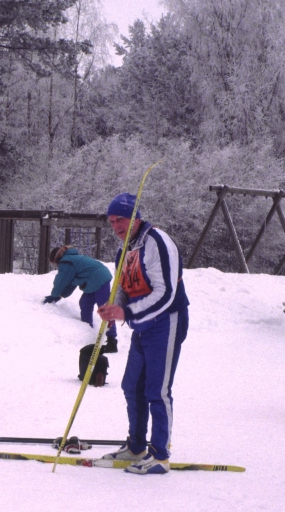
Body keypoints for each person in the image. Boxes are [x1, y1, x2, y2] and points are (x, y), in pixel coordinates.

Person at [97, 192, 189, 475]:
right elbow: (123, 287)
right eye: (112, 222)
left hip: (167, 321)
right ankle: (136, 446)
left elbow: (167, 292)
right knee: (131, 386)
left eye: (121, 220)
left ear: (135, 217)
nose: (116, 227)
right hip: (141, 325)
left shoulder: (157, 241)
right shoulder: (124, 249)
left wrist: (128, 313)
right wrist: (115, 307)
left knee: (157, 390)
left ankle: (160, 454)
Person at [43, 245, 118, 353]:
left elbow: (61, 281)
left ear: (56, 259)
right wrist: (58, 296)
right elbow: (70, 284)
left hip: (99, 278)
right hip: (93, 280)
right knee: (85, 303)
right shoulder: (72, 260)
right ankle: (87, 329)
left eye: (54, 263)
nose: (56, 266)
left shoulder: (66, 262)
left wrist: (54, 295)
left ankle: (112, 341)